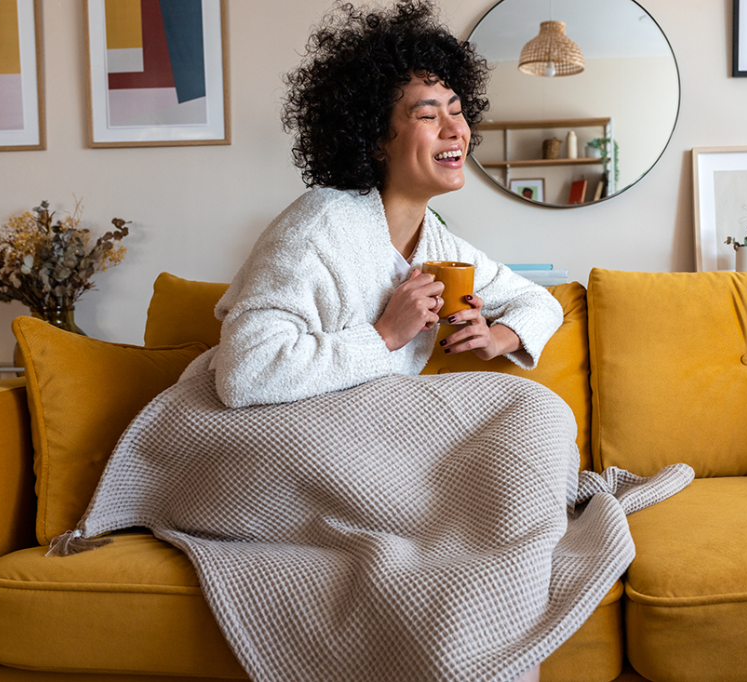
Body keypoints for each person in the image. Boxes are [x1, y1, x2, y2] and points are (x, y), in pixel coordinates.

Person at [196, 0, 563, 416]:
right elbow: (244, 372)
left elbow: (541, 303)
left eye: (457, 111)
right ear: (373, 140)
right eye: (428, 115)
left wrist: (498, 338)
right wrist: (385, 334)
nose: (456, 130)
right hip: (245, 430)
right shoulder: (318, 226)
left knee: (536, 409)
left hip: (355, 425)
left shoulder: (442, 249)